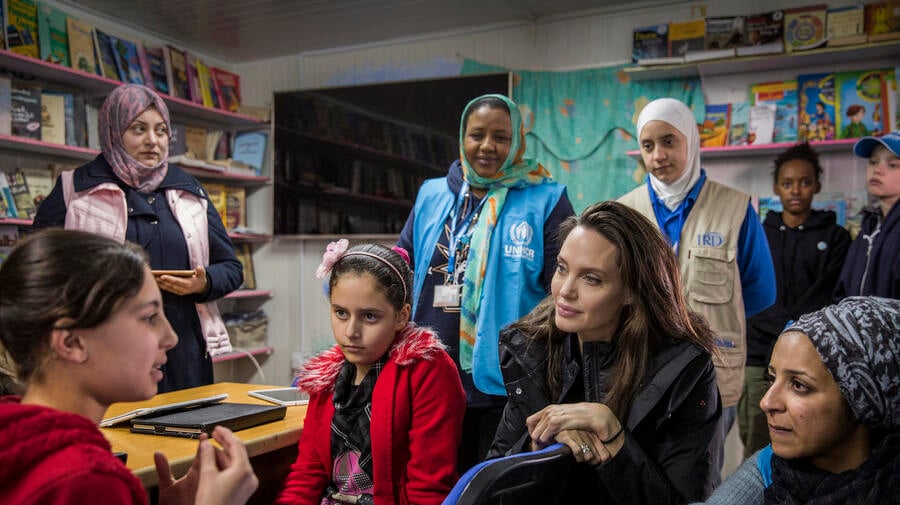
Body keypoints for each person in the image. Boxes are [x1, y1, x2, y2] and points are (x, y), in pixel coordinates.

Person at [0, 228, 258, 505]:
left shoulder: (17, 436)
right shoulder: (88, 480)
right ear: (72, 342)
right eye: (149, 317)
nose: (171, 338)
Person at [489, 201, 722, 504]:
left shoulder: (682, 370)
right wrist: (537, 448)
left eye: (591, 278)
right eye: (562, 268)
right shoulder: (531, 347)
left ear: (631, 291)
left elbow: (686, 500)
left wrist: (615, 439)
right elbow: (490, 481)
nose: (565, 290)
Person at [397, 93, 574, 469]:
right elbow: (403, 262)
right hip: (428, 373)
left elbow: (561, 291)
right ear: (462, 137)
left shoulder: (546, 199)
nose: (487, 146)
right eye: (477, 135)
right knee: (434, 482)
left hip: (507, 383)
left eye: (501, 137)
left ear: (517, 141)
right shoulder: (431, 193)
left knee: (492, 484)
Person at [33, 84, 242, 393]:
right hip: (105, 346)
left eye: (161, 130)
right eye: (138, 129)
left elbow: (232, 268)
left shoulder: (189, 191)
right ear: (113, 130)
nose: (152, 141)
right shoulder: (74, 189)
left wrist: (204, 283)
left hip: (183, 349)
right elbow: (35, 269)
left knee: (189, 422)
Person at [618, 97, 775, 464]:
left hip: (711, 371)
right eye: (648, 145)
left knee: (702, 475)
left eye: (669, 141)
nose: (658, 155)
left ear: (691, 140)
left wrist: (712, 317)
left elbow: (759, 291)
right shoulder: (624, 211)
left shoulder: (736, 208)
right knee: (640, 471)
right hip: (641, 369)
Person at [276, 241, 466, 505]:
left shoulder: (427, 370)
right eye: (341, 313)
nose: (351, 332)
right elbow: (308, 473)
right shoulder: (326, 376)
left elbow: (428, 489)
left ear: (401, 316)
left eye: (369, 316)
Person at [691, 296, 900, 505]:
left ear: (863, 400)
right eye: (772, 378)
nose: (766, 403)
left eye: (799, 385)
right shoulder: (771, 468)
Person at [740, 143, 851, 457]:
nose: (796, 190)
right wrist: (785, 326)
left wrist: (795, 330)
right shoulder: (759, 234)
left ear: (817, 185)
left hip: (812, 356)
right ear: (776, 188)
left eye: (805, 182)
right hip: (757, 355)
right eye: (787, 183)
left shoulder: (836, 237)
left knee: (809, 440)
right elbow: (750, 292)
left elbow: (828, 292)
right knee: (757, 440)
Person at [833, 131, 900, 300]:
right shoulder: (869, 224)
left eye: (892, 165)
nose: (877, 170)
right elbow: (843, 291)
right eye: (873, 162)